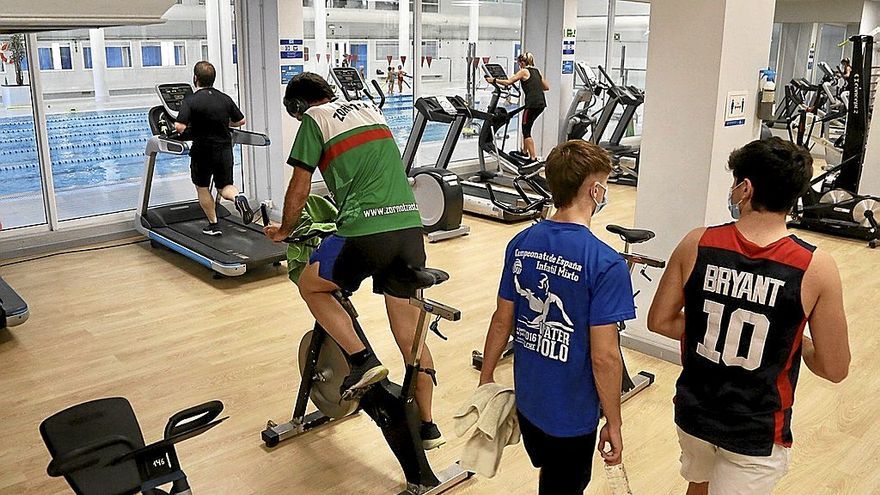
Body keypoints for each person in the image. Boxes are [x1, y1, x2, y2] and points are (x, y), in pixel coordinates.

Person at [648, 137, 851, 495]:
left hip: (695, 412)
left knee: (698, 485)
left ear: (745, 188)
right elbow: (834, 368)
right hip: (755, 428)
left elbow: (660, 322)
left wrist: (709, 329)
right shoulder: (816, 267)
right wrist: (795, 342)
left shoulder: (696, 243)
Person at [263, 72, 445, 450]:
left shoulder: (315, 119)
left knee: (311, 285)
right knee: (410, 336)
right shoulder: (371, 110)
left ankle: (361, 360)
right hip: (410, 231)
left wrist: (283, 230)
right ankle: (428, 426)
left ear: (298, 107)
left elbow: (299, 185)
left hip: (365, 231)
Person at [478, 139, 633, 495]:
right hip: (572, 418)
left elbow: (502, 319)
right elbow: (605, 357)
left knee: (550, 476)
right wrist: (614, 421)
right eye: (604, 187)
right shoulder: (605, 263)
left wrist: (487, 376)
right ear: (595, 190)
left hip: (530, 403)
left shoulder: (521, 242)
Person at [174, 61, 253, 235]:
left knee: (202, 187)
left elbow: (180, 127)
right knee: (225, 187)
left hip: (202, 151)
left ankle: (214, 225)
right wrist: (224, 123)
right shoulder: (224, 98)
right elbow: (241, 121)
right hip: (224, 150)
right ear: (213, 79)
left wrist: (181, 127)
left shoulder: (191, 100)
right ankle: (238, 198)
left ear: (195, 78)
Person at [484, 52, 549, 161]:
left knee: (526, 130)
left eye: (519, 63)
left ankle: (533, 158)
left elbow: (508, 82)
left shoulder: (523, 71)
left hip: (532, 104)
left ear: (522, 62)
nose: (519, 65)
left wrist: (493, 80)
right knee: (527, 126)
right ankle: (524, 152)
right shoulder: (536, 71)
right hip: (541, 104)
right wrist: (534, 86)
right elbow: (546, 87)